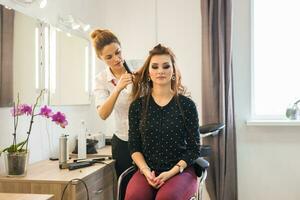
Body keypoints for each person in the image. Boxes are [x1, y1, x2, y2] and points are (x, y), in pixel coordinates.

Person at [125, 44, 201, 200]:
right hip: (147, 170)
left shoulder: (187, 105)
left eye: (166, 66)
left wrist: (170, 173)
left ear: (173, 71)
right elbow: (134, 145)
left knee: (167, 198)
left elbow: (194, 149)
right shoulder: (137, 106)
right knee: (134, 196)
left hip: (180, 170)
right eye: (155, 67)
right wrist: (146, 171)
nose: (160, 71)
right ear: (148, 73)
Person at [91, 29, 134, 177]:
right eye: (109, 57)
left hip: (148, 140)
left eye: (118, 52)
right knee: (126, 190)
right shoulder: (101, 80)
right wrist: (117, 89)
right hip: (123, 143)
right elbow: (103, 114)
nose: (116, 59)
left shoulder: (138, 70)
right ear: (100, 57)